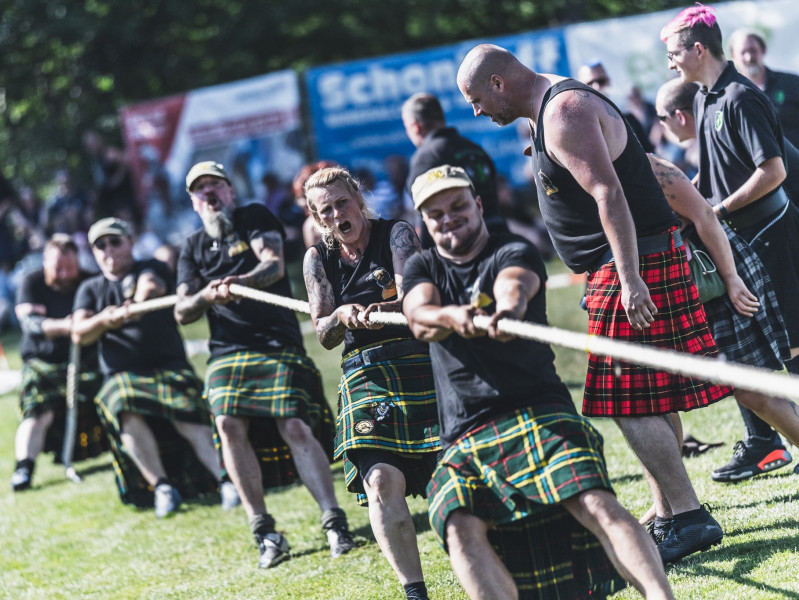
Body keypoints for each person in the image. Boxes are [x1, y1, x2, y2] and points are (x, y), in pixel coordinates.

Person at [456, 43, 733, 564]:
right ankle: (670, 511)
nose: (476, 112)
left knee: (623, 398)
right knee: (650, 395)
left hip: (631, 262)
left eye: (476, 99)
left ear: (497, 83)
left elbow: (609, 193)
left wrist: (629, 278)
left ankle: (690, 516)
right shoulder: (547, 109)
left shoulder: (563, 110)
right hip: (632, 258)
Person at [402, 165, 673, 599]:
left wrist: (507, 312)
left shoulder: (512, 248)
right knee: (456, 522)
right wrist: (451, 316)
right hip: (466, 429)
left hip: (538, 409)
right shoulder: (423, 266)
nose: (448, 219)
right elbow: (419, 316)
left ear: (478, 204)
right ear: (424, 222)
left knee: (594, 501)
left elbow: (515, 285)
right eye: (436, 214)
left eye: (457, 206)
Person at [174, 161, 356, 568]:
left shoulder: (253, 217)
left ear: (229, 191)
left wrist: (239, 283)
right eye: (201, 189)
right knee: (226, 423)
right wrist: (206, 295)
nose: (209, 193)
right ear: (193, 201)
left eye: (215, 185)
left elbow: (272, 264)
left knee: (294, 424)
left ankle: (334, 522)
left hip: (276, 342)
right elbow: (182, 310)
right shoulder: (192, 248)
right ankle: (265, 532)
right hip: (227, 350)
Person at [661, 3, 799, 474]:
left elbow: (773, 172)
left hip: (773, 237)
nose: (670, 64)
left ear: (699, 49)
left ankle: (774, 443)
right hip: (738, 241)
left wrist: (715, 212)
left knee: (793, 345)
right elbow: (712, 171)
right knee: (747, 354)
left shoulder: (740, 96)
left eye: (674, 53)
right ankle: (765, 443)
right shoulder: (704, 97)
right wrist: (685, 205)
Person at [302, 166, 440, 600]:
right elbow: (323, 333)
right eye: (326, 211)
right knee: (379, 480)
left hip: (415, 359)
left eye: (342, 203)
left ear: (358, 200)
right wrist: (341, 316)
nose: (337, 215)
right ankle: (414, 592)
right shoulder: (317, 259)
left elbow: (415, 297)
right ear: (317, 218)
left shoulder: (396, 234)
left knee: (449, 474)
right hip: (363, 371)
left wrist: (380, 310)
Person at [72, 217, 231, 517]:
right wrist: (104, 320)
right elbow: (79, 333)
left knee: (188, 415)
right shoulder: (90, 289)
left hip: (169, 367)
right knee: (123, 406)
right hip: (122, 376)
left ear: (130, 242)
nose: (108, 249)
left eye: (115, 241)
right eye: (100, 245)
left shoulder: (150, 267)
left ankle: (228, 481)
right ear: (93, 252)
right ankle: (162, 488)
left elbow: (152, 286)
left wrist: (133, 305)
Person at [11, 234, 107, 491]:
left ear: (78, 261)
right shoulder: (32, 282)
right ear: (45, 261)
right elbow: (30, 323)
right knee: (37, 410)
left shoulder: (90, 281)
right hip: (43, 362)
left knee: (111, 397)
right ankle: (23, 470)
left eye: (70, 267)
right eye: (57, 268)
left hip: (87, 361)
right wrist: (66, 326)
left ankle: (128, 452)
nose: (64, 274)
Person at [402, 93, 508, 248]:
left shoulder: (425, 158)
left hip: (463, 247)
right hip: (500, 239)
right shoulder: (474, 149)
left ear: (415, 126)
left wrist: (426, 256)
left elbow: (426, 215)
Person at [727, 28, 799, 149]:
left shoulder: (791, 83)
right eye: (743, 52)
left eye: (753, 50)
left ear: (763, 50)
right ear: (733, 56)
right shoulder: (728, 96)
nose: (749, 57)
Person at [576, 60, 656, 153]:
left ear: (608, 81)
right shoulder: (577, 125)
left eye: (601, 81)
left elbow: (649, 153)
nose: (597, 87)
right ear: (580, 87)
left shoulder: (628, 119)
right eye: (590, 83)